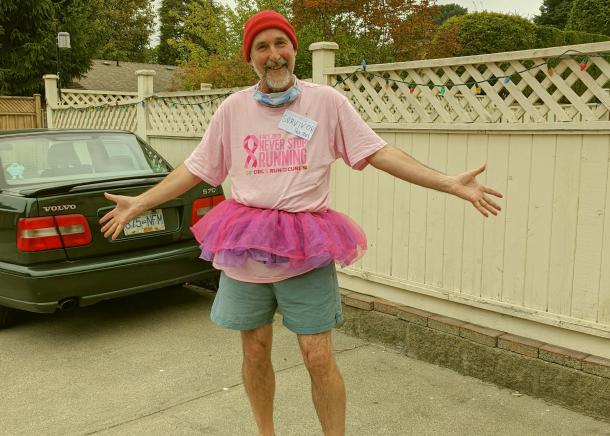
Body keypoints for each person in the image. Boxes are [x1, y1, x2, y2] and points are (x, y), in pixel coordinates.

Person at [100, 10, 502, 436]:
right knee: (254, 350)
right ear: (250, 57)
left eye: (280, 44)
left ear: (293, 49)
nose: (273, 55)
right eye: (262, 47)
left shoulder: (325, 103)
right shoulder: (232, 109)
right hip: (246, 249)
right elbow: (197, 168)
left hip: (305, 248)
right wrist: (140, 203)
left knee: (317, 355)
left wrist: (448, 183)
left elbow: (379, 152)